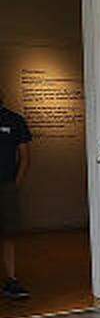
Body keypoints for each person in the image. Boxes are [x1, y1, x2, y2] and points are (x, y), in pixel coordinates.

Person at [0, 92, 32, 300]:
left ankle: (11, 280)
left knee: (8, 234)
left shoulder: (15, 120)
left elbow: (25, 157)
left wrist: (14, 184)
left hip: (6, 185)